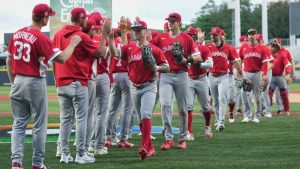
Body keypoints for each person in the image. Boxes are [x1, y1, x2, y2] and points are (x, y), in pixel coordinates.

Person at [6, 4, 81, 169]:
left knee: (18, 123)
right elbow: (61, 58)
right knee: (39, 125)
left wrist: (14, 82)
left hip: (18, 80)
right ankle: (37, 163)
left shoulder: (17, 33)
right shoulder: (41, 37)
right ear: (45, 18)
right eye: (49, 16)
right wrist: (73, 44)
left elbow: (8, 60)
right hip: (34, 82)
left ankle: (16, 163)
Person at [53, 7, 109, 164]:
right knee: (82, 118)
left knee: (65, 119)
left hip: (61, 82)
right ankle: (80, 154)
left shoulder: (57, 34)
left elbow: (54, 59)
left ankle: (64, 154)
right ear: (82, 19)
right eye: (85, 18)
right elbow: (99, 53)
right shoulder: (81, 36)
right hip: (77, 81)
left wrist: (57, 80)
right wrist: (104, 33)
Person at [108, 19, 169, 160]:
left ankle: (143, 146)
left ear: (146, 32)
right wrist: (110, 38)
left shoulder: (154, 49)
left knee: (146, 114)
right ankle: (151, 148)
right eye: (134, 30)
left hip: (149, 86)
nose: (136, 32)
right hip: (133, 87)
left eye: (139, 30)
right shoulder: (128, 47)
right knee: (141, 118)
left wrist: (156, 67)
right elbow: (114, 53)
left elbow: (167, 67)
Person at [151, 12, 202, 150]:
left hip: (182, 74)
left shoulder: (186, 38)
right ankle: (168, 138)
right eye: (169, 21)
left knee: (182, 109)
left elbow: (198, 59)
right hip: (166, 75)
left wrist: (186, 60)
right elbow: (148, 49)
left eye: (173, 21)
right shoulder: (161, 38)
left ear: (179, 23)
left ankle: (182, 138)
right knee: (165, 105)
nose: (170, 23)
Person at [206, 27, 242, 131]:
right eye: (212, 35)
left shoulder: (228, 48)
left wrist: (240, 73)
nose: (213, 37)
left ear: (221, 36)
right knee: (215, 101)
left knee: (222, 98)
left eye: (215, 35)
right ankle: (217, 120)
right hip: (212, 75)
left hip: (224, 76)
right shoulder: (208, 46)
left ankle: (221, 122)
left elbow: (235, 61)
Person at [185, 27, 213, 140]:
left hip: (202, 79)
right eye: (187, 35)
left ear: (194, 37)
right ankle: (189, 132)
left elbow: (210, 64)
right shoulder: (184, 49)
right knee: (188, 106)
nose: (187, 37)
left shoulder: (203, 48)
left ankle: (207, 126)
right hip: (189, 79)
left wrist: (199, 64)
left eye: (190, 35)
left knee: (206, 107)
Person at [239, 28, 269, 123]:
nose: (251, 36)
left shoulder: (262, 48)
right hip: (246, 73)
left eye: (253, 34)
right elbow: (239, 60)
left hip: (257, 73)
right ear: (248, 36)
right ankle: (247, 115)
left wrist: (264, 75)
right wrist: (240, 74)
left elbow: (265, 63)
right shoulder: (243, 47)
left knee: (257, 96)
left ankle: (257, 115)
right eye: (249, 34)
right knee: (245, 95)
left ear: (256, 35)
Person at [268, 38, 291, 116]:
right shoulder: (268, 54)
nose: (271, 47)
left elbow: (287, 64)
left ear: (277, 47)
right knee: (269, 92)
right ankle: (268, 108)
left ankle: (287, 110)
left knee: (284, 93)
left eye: (273, 46)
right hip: (271, 76)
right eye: (271, 46)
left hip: (280, 76)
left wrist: (288, 74)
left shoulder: (283, 54)